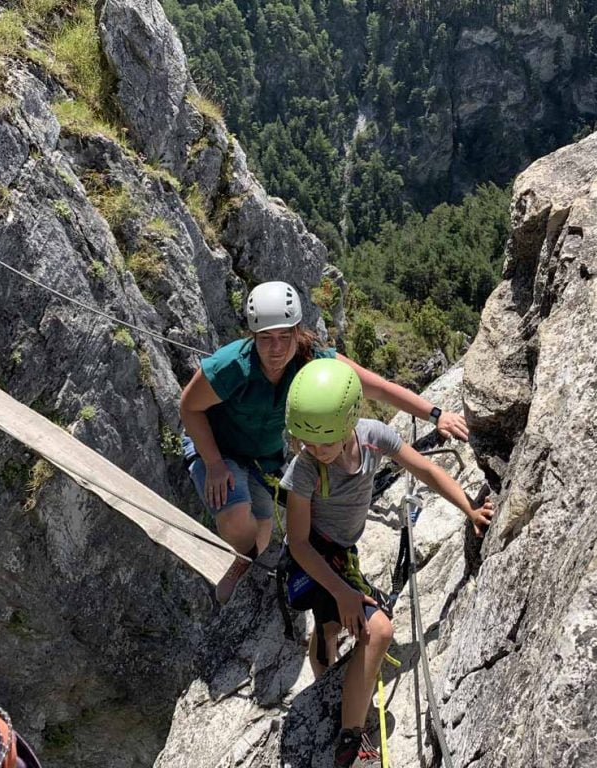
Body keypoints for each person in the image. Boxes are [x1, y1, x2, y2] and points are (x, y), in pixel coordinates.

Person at [179, 280, 469, 604]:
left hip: (264, 456)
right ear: (253, 337)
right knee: (235, 519)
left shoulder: (312, 359)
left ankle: (247, 557)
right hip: (217, 448)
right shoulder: (231, 366)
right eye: (265, 339)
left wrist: (436, 414)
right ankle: (241, 558)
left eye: (284, 336)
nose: (275, 349)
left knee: (264, 531)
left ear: (297, 330)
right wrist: (215, 464)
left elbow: (380, 389)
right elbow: (189, 407)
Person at [277, 358, 493, 768]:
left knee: (334, 629)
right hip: (315, 558)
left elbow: (426, 469)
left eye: (322, 442)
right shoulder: (304, 471)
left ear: (347, 423)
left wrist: (470, 508)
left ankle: (334, 694)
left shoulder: (374, 437)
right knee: (377, 630)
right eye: (304, 441)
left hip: (340, 552)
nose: (314, 451)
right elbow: (301, 545)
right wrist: (342, 592)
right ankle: (348, 738)